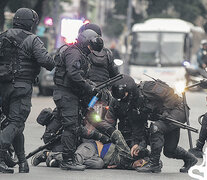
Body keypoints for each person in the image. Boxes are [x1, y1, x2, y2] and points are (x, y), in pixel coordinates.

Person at [104, 75, 197, 173]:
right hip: (165, 117)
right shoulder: (132, 104)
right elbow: (137, 124)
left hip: (177, 109)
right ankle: (190, 159)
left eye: (124, 95)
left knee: (156, 128)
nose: (123, 99)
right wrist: (136, 143)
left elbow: (170, 93)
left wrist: (166, 110)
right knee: (169, 150)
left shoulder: (147, 87)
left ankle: (154, 163)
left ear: (130, 89)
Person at [0, 8, 54, 174]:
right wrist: (55, 59)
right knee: (16, 122)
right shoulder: (32, 40)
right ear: (30, 23)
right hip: (21, 87)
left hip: (3, 87)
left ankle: (23, 162)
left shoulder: (2, 37)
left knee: (15, 125)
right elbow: (47, 62)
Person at [53, 28, 104, 171]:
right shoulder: (74, 53)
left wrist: (92, 86)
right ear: (85, 43)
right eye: (90, 47)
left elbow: (81, 76)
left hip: (71, 95)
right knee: (71, 126)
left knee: (74, 125)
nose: (92, 51)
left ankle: (68, 158)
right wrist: (88, 87)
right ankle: (67, 160)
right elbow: (73, 74)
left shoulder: (80, 54)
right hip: (66, 94)